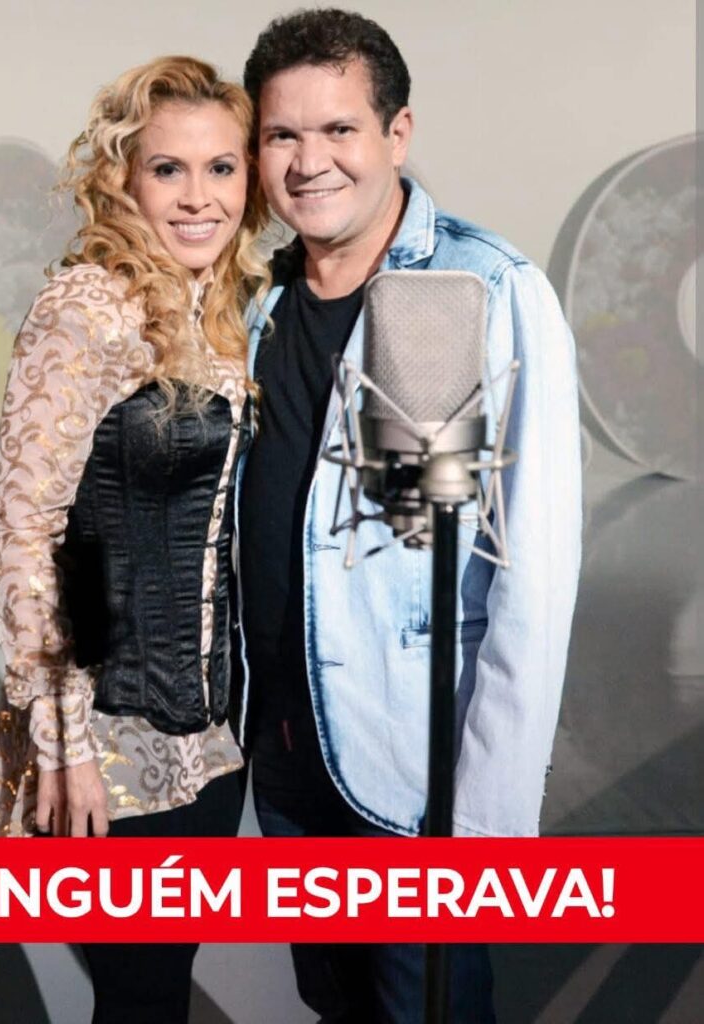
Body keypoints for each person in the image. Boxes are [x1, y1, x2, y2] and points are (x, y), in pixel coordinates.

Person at [236, 9, 582, 1023]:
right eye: (281, 134)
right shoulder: (255, 301)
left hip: (414, 771)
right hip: (288, 751)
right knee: (335, 1006)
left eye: (338, 129)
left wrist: (485, 825)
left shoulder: (479, 287)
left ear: (397, 134)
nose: (309, 162)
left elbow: (534, 572)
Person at [0, 56, 269, 1023]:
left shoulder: (223, 308)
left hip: (211, 740)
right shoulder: (86, 308)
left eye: (220, 168)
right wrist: (64, 744)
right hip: (108, 736)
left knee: (156, 989)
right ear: (123, 177)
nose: (197, 198)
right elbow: (25, 533)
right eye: (167, 169)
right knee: (138, 997)